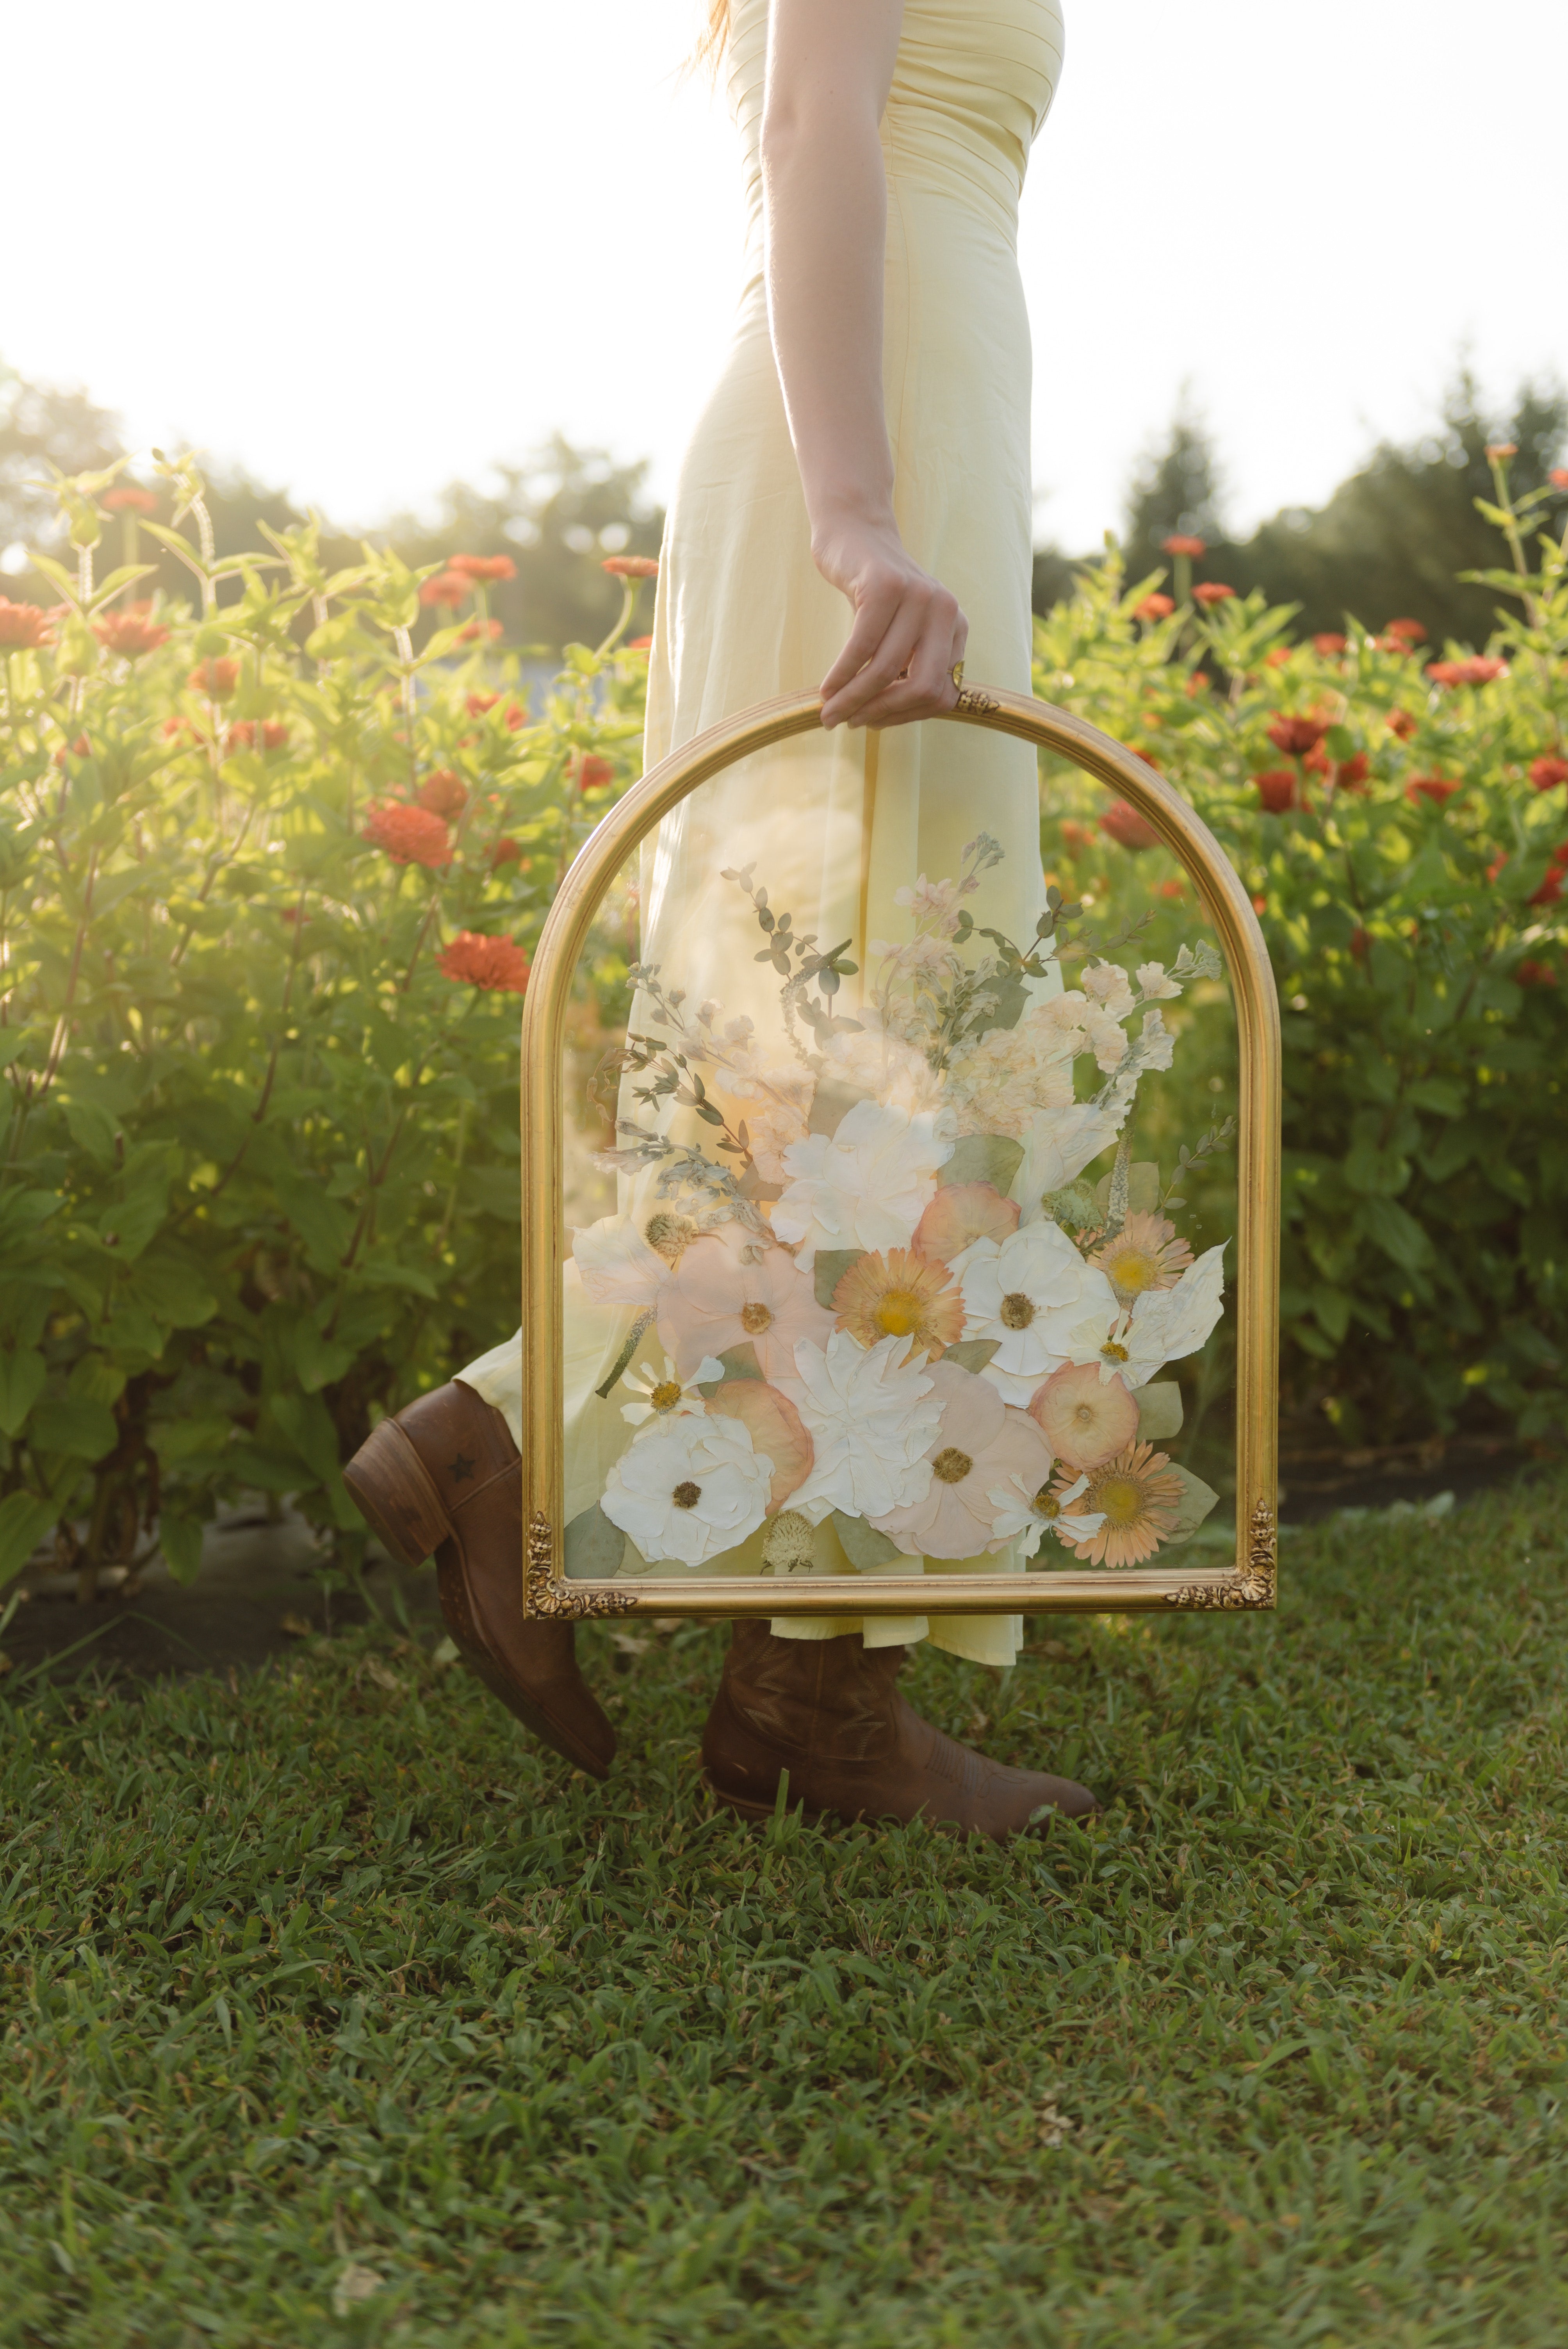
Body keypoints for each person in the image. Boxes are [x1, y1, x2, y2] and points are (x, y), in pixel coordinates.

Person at [345, 0, 1097, 1837]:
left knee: (863, 1061)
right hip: (875, 422)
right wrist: (856, 514)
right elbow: (811, 126)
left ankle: (800, 1677)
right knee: (884, 1042)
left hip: (909, 397)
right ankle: (546, 1464)